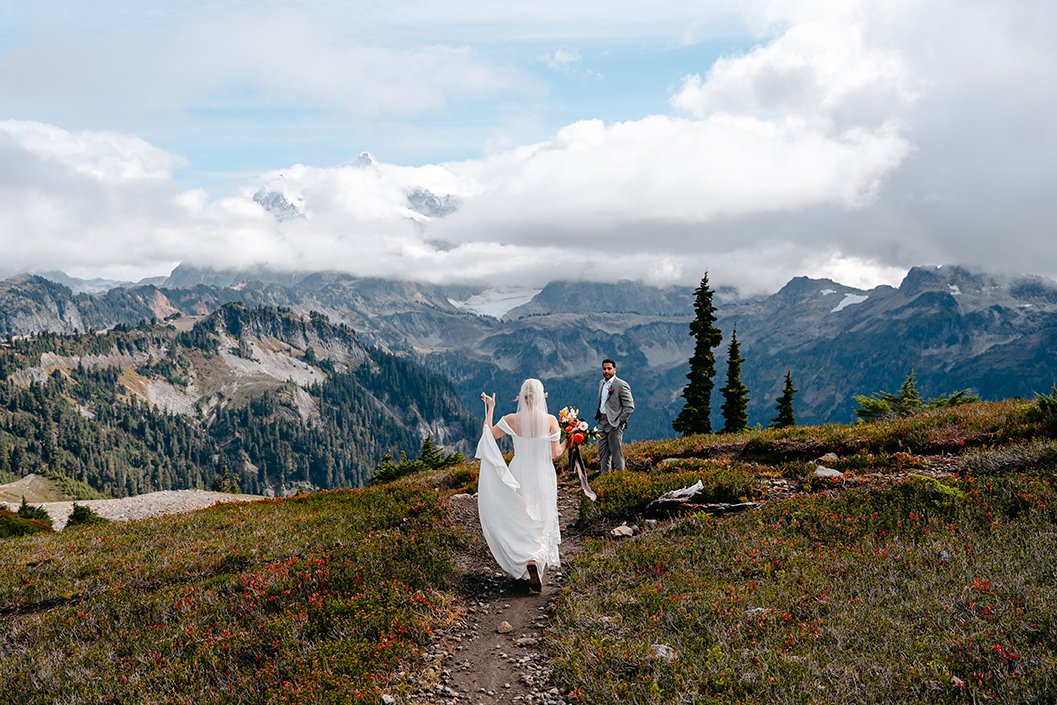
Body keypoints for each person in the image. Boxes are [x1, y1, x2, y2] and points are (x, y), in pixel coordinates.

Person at [475, 378, 568, 593]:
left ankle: (525, 560)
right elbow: (555, 454)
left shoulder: (511, 419)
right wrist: (569, 442)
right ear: (541, 396)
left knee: (522, 514)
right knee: (542, 516)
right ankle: (536, 560)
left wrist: (490, 408)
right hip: (543, 473)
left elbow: (488, 436)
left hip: (518, 471)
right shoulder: (551, 420)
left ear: (522, 397)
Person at [595, 358, 634, 472]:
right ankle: (605, 479)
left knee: (616, 453)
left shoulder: (621, 385)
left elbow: (630, 407)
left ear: (615, 370)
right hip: (602, 421)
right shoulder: (601, 383)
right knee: (603, 453)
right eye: (604, 369)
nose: (606, 371)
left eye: (609, 368)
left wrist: (619, 421)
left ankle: (620, 478)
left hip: (614, 423)